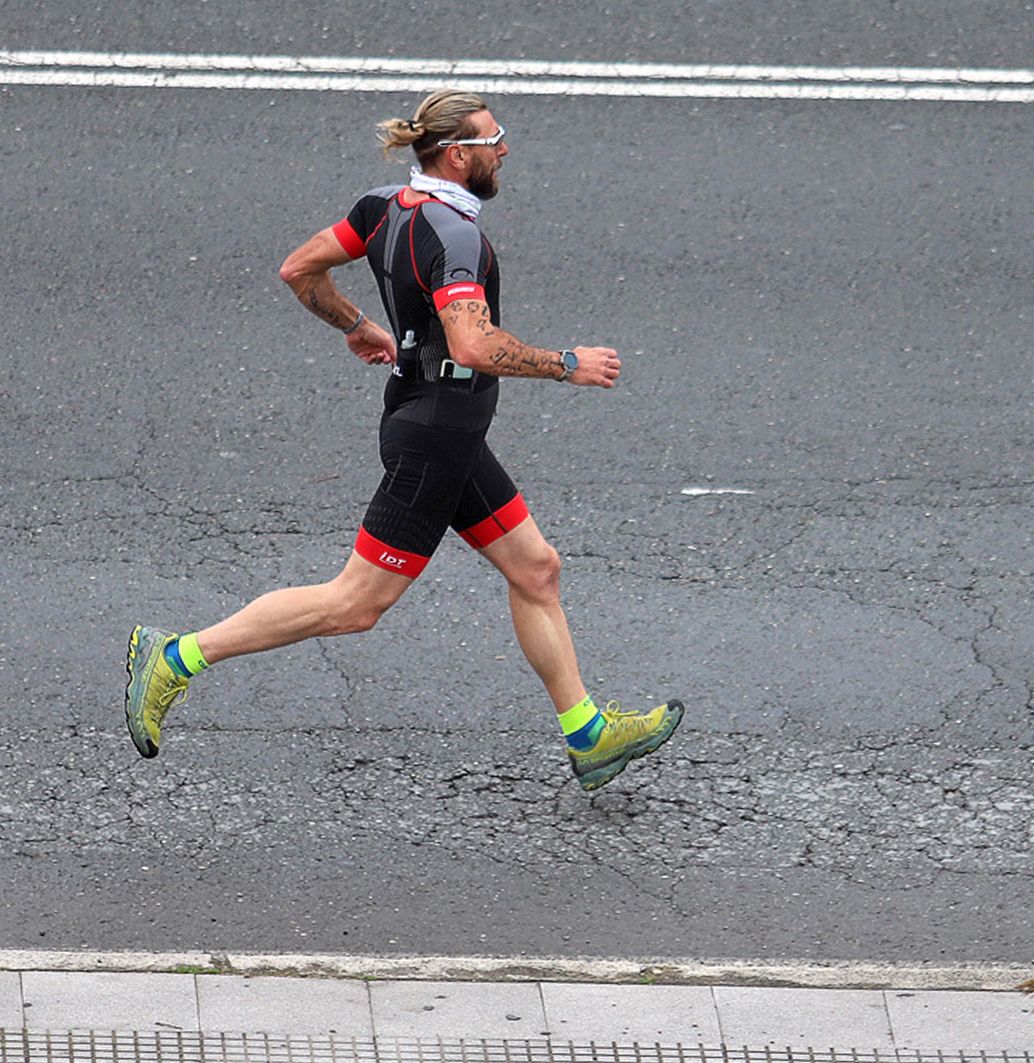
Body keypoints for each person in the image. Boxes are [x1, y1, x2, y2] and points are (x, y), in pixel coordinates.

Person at [124, 90, 683, 791]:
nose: (504, 149)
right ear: (459, 155)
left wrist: (357, 324)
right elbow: (473, 344)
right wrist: (566, 363)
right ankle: (175, 657)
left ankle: (589, 736)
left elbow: (300, 269)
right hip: (436, 438)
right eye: (494, 140)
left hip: (442, 426)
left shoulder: (386, 205)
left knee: (536, 569)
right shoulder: (456, 237)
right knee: (355, 604)